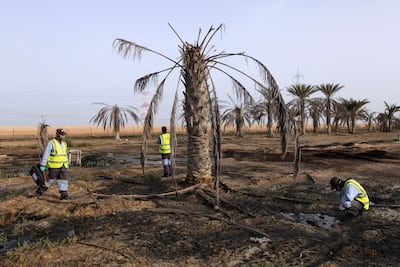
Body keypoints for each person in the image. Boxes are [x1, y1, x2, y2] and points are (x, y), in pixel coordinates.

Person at [37, 128, 70, 200]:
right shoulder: (51, 143)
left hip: (63, 166)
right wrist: (43, 164)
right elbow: (46, 154)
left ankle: (64, 195)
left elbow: (65, 155)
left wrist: (67, 164)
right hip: (54, 167)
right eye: (62, 135)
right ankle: (39, 191)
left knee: (63, 180)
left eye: (64, 135)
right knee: (49, 181)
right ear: (57, 135)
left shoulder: (64, 144)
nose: (63, 136)